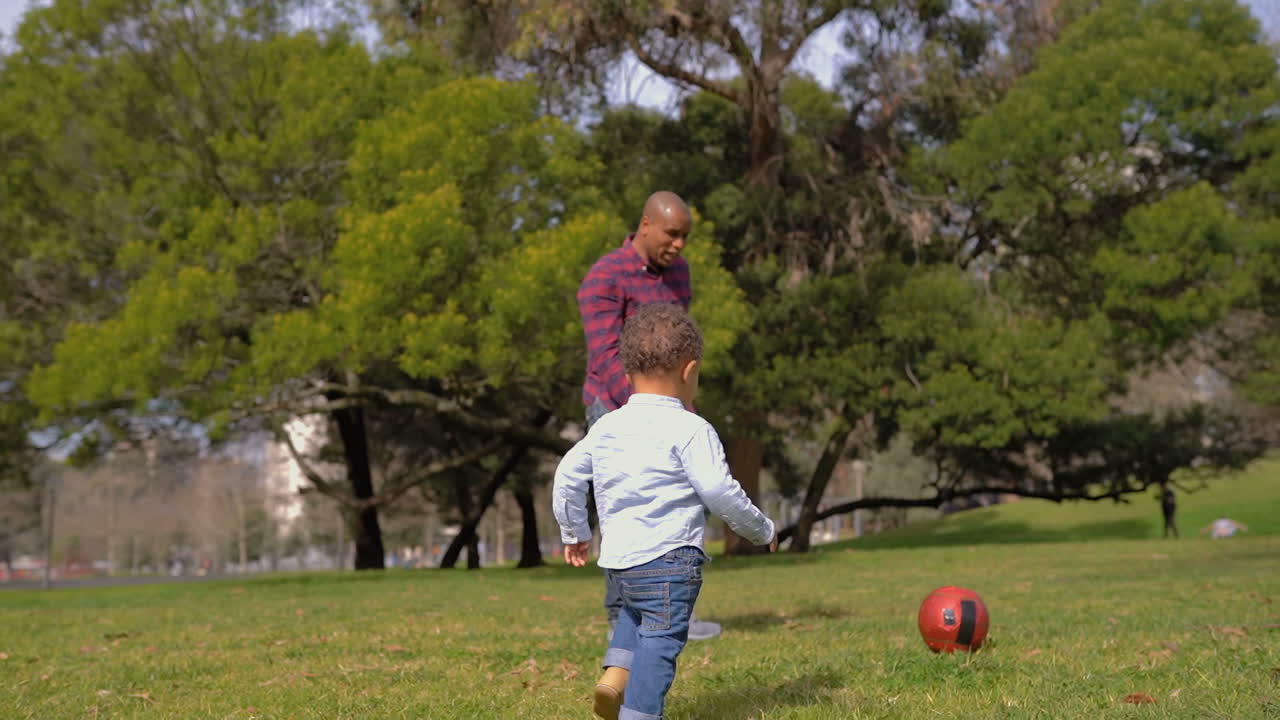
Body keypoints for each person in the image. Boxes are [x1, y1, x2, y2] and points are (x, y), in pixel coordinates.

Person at [553, 303, 777, 720]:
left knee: (634, 614)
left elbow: (567, 474)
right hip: (670, 561)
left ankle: (614, 678)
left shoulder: (607, 426)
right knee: (660, 640)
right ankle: (637, 713)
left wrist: (574, 531)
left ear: (626, 373)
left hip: (620, 560)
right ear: (689, 371)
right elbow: (717, 489)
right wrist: (761, 529)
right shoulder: (692, 428)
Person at [577, 191, 723, 642]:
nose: (679, 245)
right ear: (645, 225)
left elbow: (679, 343)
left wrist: (680, 407)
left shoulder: (679, 273)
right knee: (624, 513)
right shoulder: (605, 277)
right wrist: (651, 414)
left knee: (683, 503)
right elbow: (605, 356)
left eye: (685, 237)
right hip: (612, 407)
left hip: (670, 406)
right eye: (672, 234)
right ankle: (620, 622)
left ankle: (673, 612)